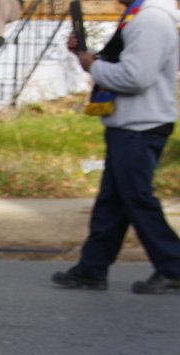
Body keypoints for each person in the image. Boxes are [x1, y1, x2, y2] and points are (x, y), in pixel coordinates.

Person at [51, 0, 180, 295]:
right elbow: (126, 66)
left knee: (137, 199)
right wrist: (88, 57)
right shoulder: (139, 18)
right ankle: (92, 269)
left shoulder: (149, 21)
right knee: (113, 202)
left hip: (140, 126)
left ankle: (173, 267)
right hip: (131, 124)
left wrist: (93, 66)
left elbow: (136, 77)